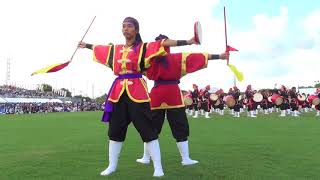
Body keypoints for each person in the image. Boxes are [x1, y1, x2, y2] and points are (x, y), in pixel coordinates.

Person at [78, 17, 198, 177]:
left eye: (129, 26)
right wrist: (85, 45)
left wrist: (189, 41)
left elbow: (163, 44)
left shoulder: (144, 48)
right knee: (115, 129)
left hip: (138, 92)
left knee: (148, 128)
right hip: (118, 93)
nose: (125, 29)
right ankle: (112, 165)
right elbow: (100, 48)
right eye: (123, 26)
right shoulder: (116, 49)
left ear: (136, 30)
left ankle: (158, 167)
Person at [136, 34, 229, 166]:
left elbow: (131, 64)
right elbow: (199, 57)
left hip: (157, 94)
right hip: (173, 94)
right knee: (179, 126)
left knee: (151, 128)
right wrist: (220, 56)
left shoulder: (147, 60)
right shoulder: (177, 58)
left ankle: (146, 157)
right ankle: (185, 159)